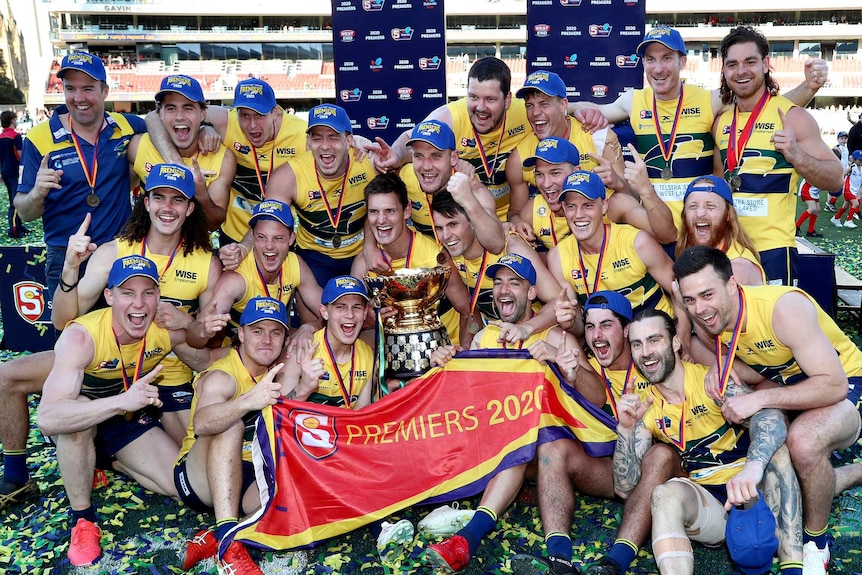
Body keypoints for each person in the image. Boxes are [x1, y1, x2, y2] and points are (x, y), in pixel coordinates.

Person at [674, 246, 862, 575]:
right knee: (785, 472)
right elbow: (766, 367)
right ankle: (853, 473)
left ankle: (816, 543)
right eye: (690, 300)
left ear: (732, 285)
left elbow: (834, 384)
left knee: (802, 443)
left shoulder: (781, 308)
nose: (700, 309)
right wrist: (722, 370)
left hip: (845, 382)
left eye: (707, 294)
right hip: (794, 384)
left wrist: (759, 399)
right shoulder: (715, 317)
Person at [37, 255, 214, 566]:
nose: (139, 303)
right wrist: (121, 402)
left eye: (148, 293)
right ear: (109, 297)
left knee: (184, 489)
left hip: (124, 419)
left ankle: (108, 460)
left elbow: (206, 361)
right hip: (85, 417)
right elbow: (48, 418)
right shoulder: (82, 336)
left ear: (159, 297)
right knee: (77, 421)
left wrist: (266, 348)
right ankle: (83, 519)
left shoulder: (164, 329)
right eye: (127, 293)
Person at [423, 255, 594, 574]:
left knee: (521, 440)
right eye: (498, 282)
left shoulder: (554, 336)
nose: (504, 290)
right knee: (509, 439)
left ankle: (469, 537)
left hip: (553, 450)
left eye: (514, 283)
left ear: (531, 293)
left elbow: (598, 397)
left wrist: (560, 360)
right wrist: (446, 362)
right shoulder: (484, 338)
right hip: (496, 449)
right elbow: (465, 401)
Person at [570, 26, 826, 237]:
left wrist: (809, 87)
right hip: (652, 226)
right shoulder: (634, 101)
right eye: (651, 59)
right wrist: (568, 106)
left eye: (667, 58)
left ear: (682, 62)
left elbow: (764, 108)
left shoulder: (708, 99)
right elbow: (596, 109)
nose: (658, 68)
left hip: (699, 231)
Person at [612, 309, 801, 575]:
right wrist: (626, 428)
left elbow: (771, 420)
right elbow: (625, 488)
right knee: (664, 494)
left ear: (676, 342)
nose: (646, 352)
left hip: (753, 491)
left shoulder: (710, 383)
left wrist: (753, 468)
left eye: (654, 340)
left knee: (778, 453)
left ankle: (795, 567)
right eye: (637, 344)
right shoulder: (646, 406)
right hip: (712, 505)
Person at [511, 292, 681, 575]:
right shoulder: (587, 364)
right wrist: (569, 368)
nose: (596, 334)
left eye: (606, 325)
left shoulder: (652, 360)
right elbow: (593, 391)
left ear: (626, 330)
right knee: (553, 448)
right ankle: (559, 561)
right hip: (613, 471)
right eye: (590, 326)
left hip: (659, 472)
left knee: (660, 455)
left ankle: (614, 564)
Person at [51, 163, 223, 444]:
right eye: (159, 197)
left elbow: (210, 341)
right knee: (12, 376)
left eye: (177, 199)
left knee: (192, 452)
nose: (167, 207)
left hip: (168, 370)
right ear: (146, 202)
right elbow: (63, 319)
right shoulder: (113, 252)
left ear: (190, 208)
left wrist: (187, 322)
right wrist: (70, 268)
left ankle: (110, 450)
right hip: (111, 368)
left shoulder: (206, 264)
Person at [714, 26, 844, 285]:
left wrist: (796, 155)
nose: (741, 71)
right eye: (732, 64)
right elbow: (718, 186)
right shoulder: (720, 122)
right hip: (728, 249)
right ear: (724, 70)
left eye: (750, 62)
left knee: (774, 324)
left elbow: (836, 179)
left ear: (765, 64)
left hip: (773, 250)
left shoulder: (793, 116)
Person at [15, 51, 146, 299]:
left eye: (87, 88)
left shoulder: (126, 126)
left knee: (123, 333)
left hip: (117, 252)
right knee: (69, 332)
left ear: (104, 91)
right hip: (65, 257)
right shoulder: (39, 138)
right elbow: (25, 212)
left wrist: (203, 131)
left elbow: (159, 122)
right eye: (70, 88)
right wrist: (37, 193)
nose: (78, 98)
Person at [175, 296, 289, 574]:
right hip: (199, 474)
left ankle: (211, 539)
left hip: (248, 471)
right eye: (258, 331)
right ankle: (228, 543)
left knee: (293, 493)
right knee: (230, 425)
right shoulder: (223, 374)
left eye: (276, 332)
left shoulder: (275, 372)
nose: (267, 340)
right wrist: (247, 402)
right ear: (241, 334)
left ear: (285, 339)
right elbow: (203, 423)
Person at [507, 71, 675, 245]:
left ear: (563, 105)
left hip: (605, 236)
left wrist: (618, 182)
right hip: (558, 239)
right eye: (529, 106)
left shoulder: (598, 137)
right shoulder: (519, 158)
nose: (535, 113)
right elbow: (515, 212)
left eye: (544, 104)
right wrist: (517, 221)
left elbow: (632, 202)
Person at [146, 77, 306, 248]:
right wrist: (178, 162)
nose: (252, 125)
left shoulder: (302, 135)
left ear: (275, 113)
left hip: (275, 237)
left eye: (259, 115)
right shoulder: (226, 122)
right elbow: (152, 117)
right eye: (244, 115)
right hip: (232, 236)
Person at [350, 172, 477, 349]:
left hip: (443, 355)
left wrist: (463, 356)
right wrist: (367, 321)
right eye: (374, 212)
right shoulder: (363, 264)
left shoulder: (434, 257)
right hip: (397, 357)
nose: (381, 220)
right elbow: (353, 323)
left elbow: (468, 311)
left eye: (390, 211)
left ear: (407, 210)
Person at [547, 170, 677, 334]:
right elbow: (580, 328)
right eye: (572, 206)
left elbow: (679, 292)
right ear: (564, 209)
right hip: (608, 344)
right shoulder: (557, 258)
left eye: (588, 205)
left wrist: (683, 338)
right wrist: (570, 322)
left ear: (604, 206)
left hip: (657, 334)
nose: (579, 215)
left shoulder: (637, 242)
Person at [264, 104, 379, 288]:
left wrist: (370, 246)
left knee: (368, 314)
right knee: (315, 316)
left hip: (362, 251)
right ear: (308, 142)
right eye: (317, 139)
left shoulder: (369, 164)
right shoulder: (288, 176)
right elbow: (269, 229)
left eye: (333, 137)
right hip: (314, 255)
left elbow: (390, 214)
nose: (325, 146)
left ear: (349, 140)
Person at [186, 199, 322, 348]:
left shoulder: (296, 264)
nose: (269, 246)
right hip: (236, 350)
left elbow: (330, 313)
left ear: (291, 239)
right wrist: (204, 331)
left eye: (278, 238)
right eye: (261, 237)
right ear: (252, 236)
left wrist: (309, 327)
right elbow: (192, 337)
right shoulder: (236, 280)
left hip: (273, 345)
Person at [430, 190, 562, 341]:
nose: (446, 236)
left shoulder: (511, 247)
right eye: (440, 228)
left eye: (453, 224)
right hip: (494, 339)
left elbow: (559, 301)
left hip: (532, 338)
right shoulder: (448, 256)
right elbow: (470, 312)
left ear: (474, 221)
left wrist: (526, 328)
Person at [519, 137, 675, 254]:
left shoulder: (611, 203)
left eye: (555, 173)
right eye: (539, 174)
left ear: (577, 172)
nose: (546, 184)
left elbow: (668, 236)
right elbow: (512, 228)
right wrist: (512, 225)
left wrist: (646, 191)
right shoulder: (533, 209)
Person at [129, 74, 236, 231]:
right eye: (171, 108)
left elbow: (214, 223)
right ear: (160, 114)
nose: (179, 116)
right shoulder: (139, 146)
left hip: (195, 249)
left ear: (203, 114)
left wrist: (200, 192)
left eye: (188, 108)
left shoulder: (222, 157)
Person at [395, 119, 505, 254]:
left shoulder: (472, 188)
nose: (426, 166)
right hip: (429, 266)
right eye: (419, 156)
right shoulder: (405, 176)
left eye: (436, 156)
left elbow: (496, 244)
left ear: (453, 158)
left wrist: (469, 201)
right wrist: (370, 246)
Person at [676, 175, 765, 285]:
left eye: (710, 206)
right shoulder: (688, 253)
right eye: (693, 206)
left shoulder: (737, 269)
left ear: (728, 214)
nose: (700, 213)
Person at [0, 110, 26, 237]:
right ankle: (14, 229)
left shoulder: (1, 136)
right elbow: (20, 155)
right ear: (12, 120)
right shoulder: (15, 136)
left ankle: (18, 225)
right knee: (16, 201)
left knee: (12, 199)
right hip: (14, 171)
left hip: (5, 171)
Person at [831, 150, 862, 228]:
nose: (861, 161)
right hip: (848, 189)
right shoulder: (852, 167)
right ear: (854, 160)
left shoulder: (861, 168)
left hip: (855, 190)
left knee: (845, 206)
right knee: (855, 204)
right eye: (859, 159)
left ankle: (836, 218)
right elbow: (843, 175)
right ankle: (848, 221)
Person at [825, 131, 850, 212]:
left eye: (845, 138)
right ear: (838, 139)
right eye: (842, 138)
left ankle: (829, 204)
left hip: (844, 170)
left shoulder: (846, 148)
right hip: (838, 171)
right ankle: (830, 203)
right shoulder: (837, 148)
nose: (844, 140)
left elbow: (846, 159)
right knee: (836, 189)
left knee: (837, 188)